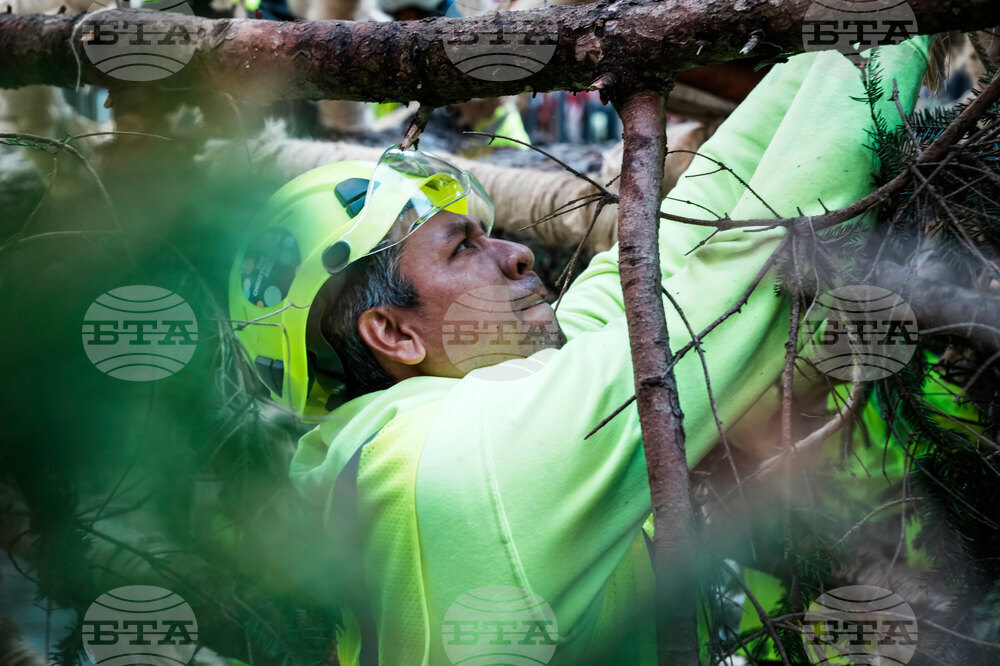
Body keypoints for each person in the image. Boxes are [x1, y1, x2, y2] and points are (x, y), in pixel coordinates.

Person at [229, 37, 932, 665]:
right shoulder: (468, 460)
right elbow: (751, 277)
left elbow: (676, 252)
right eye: (463, 247)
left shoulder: (401, 442)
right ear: (395, 334)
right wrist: (902, 30)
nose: (518, 253)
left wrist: (833, 35)